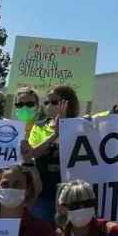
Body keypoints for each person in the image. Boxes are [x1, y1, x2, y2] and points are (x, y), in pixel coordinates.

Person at [23, 85, 81, 223]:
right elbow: (32, 153)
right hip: (43, 194)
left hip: (71, 196)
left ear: (68, 103)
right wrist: (55, 134)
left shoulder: (81, 125)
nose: (49, 106)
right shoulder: (39, 126)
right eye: (47, 102)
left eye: (54, 102)